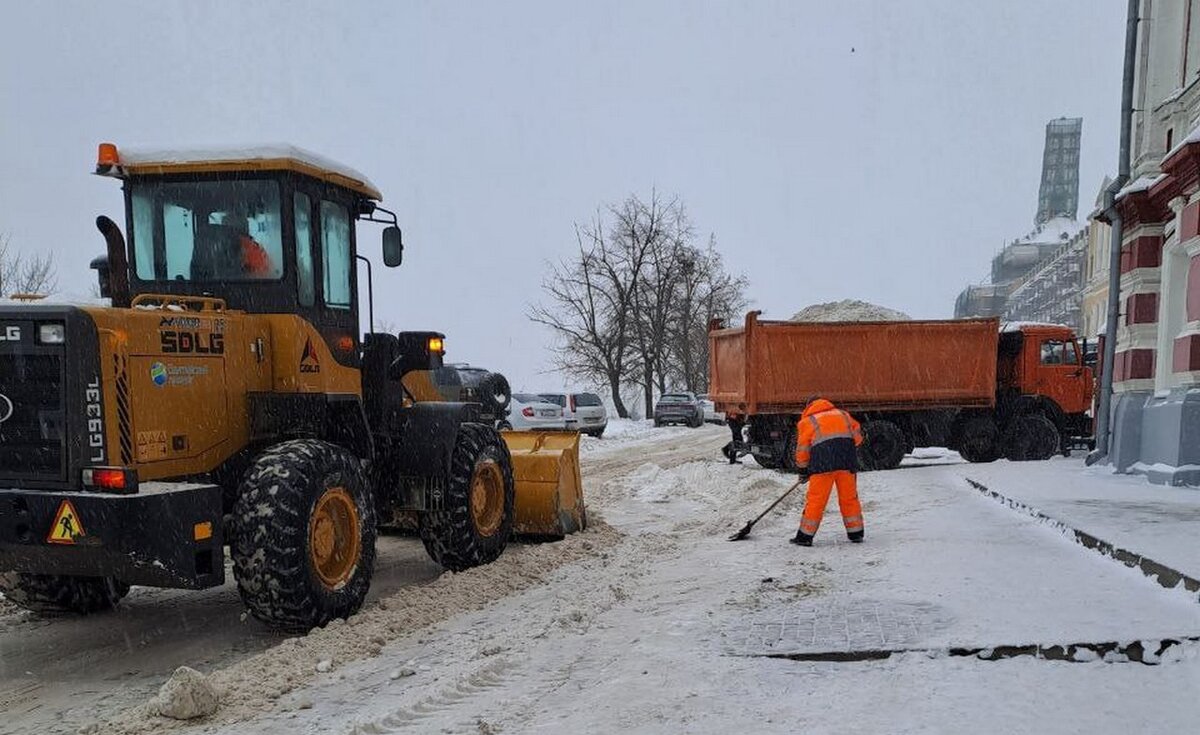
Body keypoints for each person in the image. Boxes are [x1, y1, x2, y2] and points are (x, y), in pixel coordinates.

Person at [790, 397, 865, 546]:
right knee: (849, 498)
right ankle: (856, 533)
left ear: (809, 406)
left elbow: (803, 450)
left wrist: (803, 469)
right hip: (846, 462)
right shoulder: (843, 414)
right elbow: (857, 438)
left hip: (822, 465)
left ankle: (805, 536)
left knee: (816, 500)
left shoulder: (808, 421)